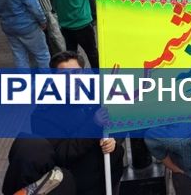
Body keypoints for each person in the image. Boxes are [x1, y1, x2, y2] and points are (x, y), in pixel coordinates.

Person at [29, 51, 124, 194]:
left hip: (111, 176)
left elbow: (120, 123)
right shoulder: (43, 114)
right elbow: (60, 154)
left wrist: (114, 141)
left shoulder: (101, 93)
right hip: (79, 186)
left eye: (76, 72)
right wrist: (94, 125)